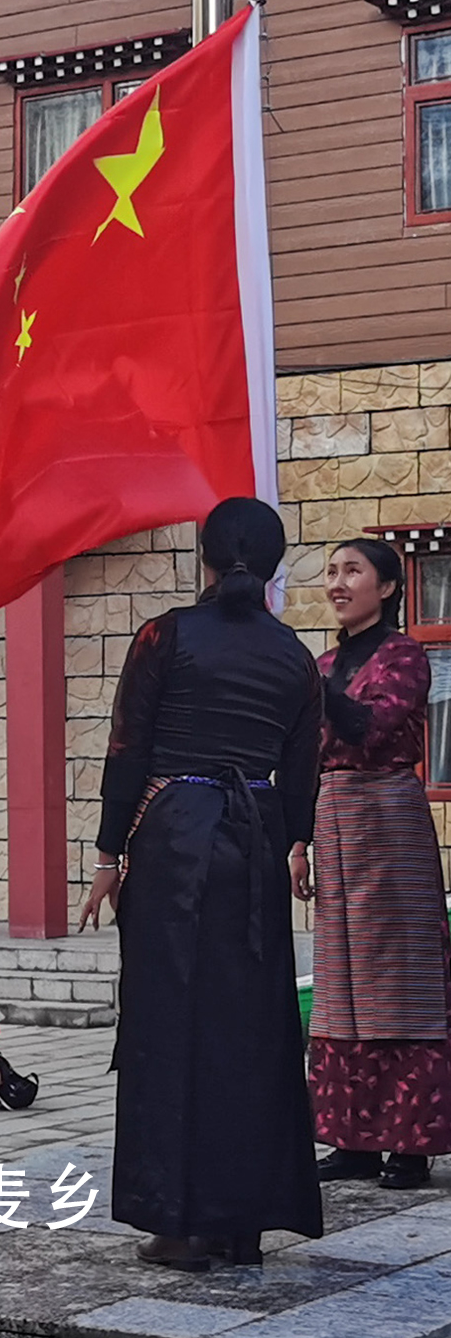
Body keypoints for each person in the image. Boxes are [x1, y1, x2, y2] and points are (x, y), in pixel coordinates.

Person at [81, 495, 323, 1271]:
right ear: (275, 564)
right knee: (251, 1028)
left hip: (177, 832)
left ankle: (181, 1223)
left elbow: (127, 749)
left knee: (172, 1025)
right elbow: (303, 772)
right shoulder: (294, 655)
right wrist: (294, 840)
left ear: (205, 556)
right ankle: (241, 1223)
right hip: (255, 837)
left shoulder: (166, 634)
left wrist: (108, 855)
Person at [304, 535, 451, 1187]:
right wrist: (297, 843)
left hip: (388, 818)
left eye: (353, 571)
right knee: (340, 984)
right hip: (332, 819)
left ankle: (410, 1144)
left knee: (399, 982)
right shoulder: (325, 661)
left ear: (387, 587)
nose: (337, 582)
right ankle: (352, 1139)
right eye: (331, 571)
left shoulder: (405, 655)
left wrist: (312, 686)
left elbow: (372, 726)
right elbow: (304, 755)